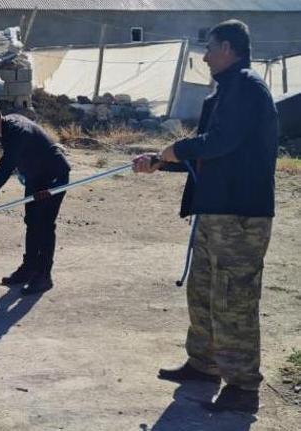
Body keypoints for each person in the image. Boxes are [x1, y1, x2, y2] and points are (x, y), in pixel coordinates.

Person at [133, 20, 278, 413]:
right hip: (215, 211)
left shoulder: (247, 88)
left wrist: (172, 150)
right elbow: (208, 154)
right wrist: (160, 163)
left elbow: (221, 142)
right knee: (203, 292)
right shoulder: (226, 91)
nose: (205, 54)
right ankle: (204, 364)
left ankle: (243, 386)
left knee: (234, 298)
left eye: (210, 47)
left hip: (239, 215)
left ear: (229, 48)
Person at [0, 100, 70, 294]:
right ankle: (29, 269)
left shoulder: (16, 132)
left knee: (44, 226)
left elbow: (3, 170)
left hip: (54, 176)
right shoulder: (5, 129)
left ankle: (44, 276)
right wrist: (25, 171)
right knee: (32, 222)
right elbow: (23, 154)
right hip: (36, 177)